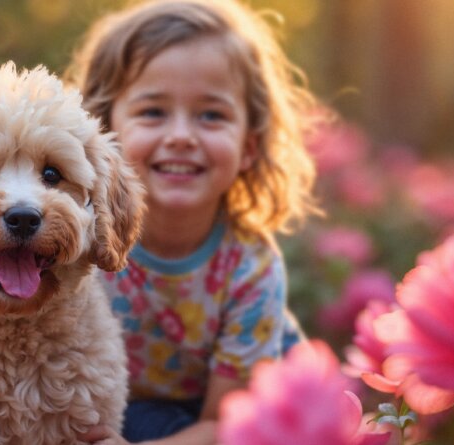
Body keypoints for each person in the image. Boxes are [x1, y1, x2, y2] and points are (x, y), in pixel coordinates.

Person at [65, 0, 323, 443]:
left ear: (248, 146)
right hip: (124, 405)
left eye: (211, 115)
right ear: (101, 132)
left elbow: (228, 423)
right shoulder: (76, 240)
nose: (181, 136)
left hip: (215, 412)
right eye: (153, 112)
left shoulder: (249, 267)